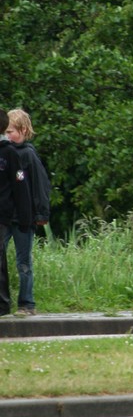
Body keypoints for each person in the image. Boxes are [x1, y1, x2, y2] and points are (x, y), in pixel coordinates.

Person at [2, 109, 50, 317]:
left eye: (10, 131)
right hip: (5, 217)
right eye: (4, 131)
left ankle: (27, 303)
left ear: (22, 130)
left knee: (23, 262)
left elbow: (40, 186)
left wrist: (41, 213)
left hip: (24, 218)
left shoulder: (28, 155)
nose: (7, 136)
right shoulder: (5, 155)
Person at [0, 109, 32, 318]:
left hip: (7, 215)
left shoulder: (12, 153)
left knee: (20, 260)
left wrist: (26, 216)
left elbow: (21, 186)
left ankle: (17, 303)